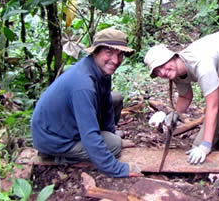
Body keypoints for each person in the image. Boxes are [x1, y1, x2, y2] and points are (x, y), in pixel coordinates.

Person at [144, 27, 219, 165]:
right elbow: (185, 96)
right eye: (157, 71)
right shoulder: (176, 70)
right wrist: (175, 114)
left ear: (173, 56)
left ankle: (210, 143)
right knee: (217, 99)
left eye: (163, 65)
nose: (163, 72)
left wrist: (204, 146)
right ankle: (217, 139)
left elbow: (213, 106)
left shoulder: (201, 65)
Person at [31, 28, 141, 177]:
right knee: (114, 146)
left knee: (116, 98)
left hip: (66, 124)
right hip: (53, 138)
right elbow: (89, 136)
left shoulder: (100, 70)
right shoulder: (83, 84)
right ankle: (56, 155)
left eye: (120, 54)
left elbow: (106, 103)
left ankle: (108, 138)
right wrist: (119, 169)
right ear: (95, 52)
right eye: (109, 52)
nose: (115, 60)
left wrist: (110, 133)